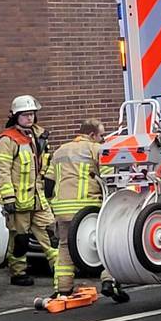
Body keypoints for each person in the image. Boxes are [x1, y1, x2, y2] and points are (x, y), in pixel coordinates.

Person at [51, 118, 129, 303]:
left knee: (64, 247)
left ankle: (63, 290)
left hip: (62, 208)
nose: (103, 139)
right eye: (101, 135)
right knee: (104, 244)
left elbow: (48, 182)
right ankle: (109, 281)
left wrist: (52, 204)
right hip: (87, 208)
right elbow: (110, 179)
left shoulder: (60, 150)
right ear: (92, 135)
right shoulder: (96, 150)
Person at [0, 95, 58, 286]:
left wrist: (49, 183)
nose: (29, 118)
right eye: (25, 115)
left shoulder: (40, 136)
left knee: (50, 232)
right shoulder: (8, 140)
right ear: (16, 117)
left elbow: (47, 163)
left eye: (32, 114)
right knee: (20, 239)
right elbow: (2, 170)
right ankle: (18, 273)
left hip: (38, 198)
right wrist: (8, 198)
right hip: (19, 201)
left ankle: (60, 270)